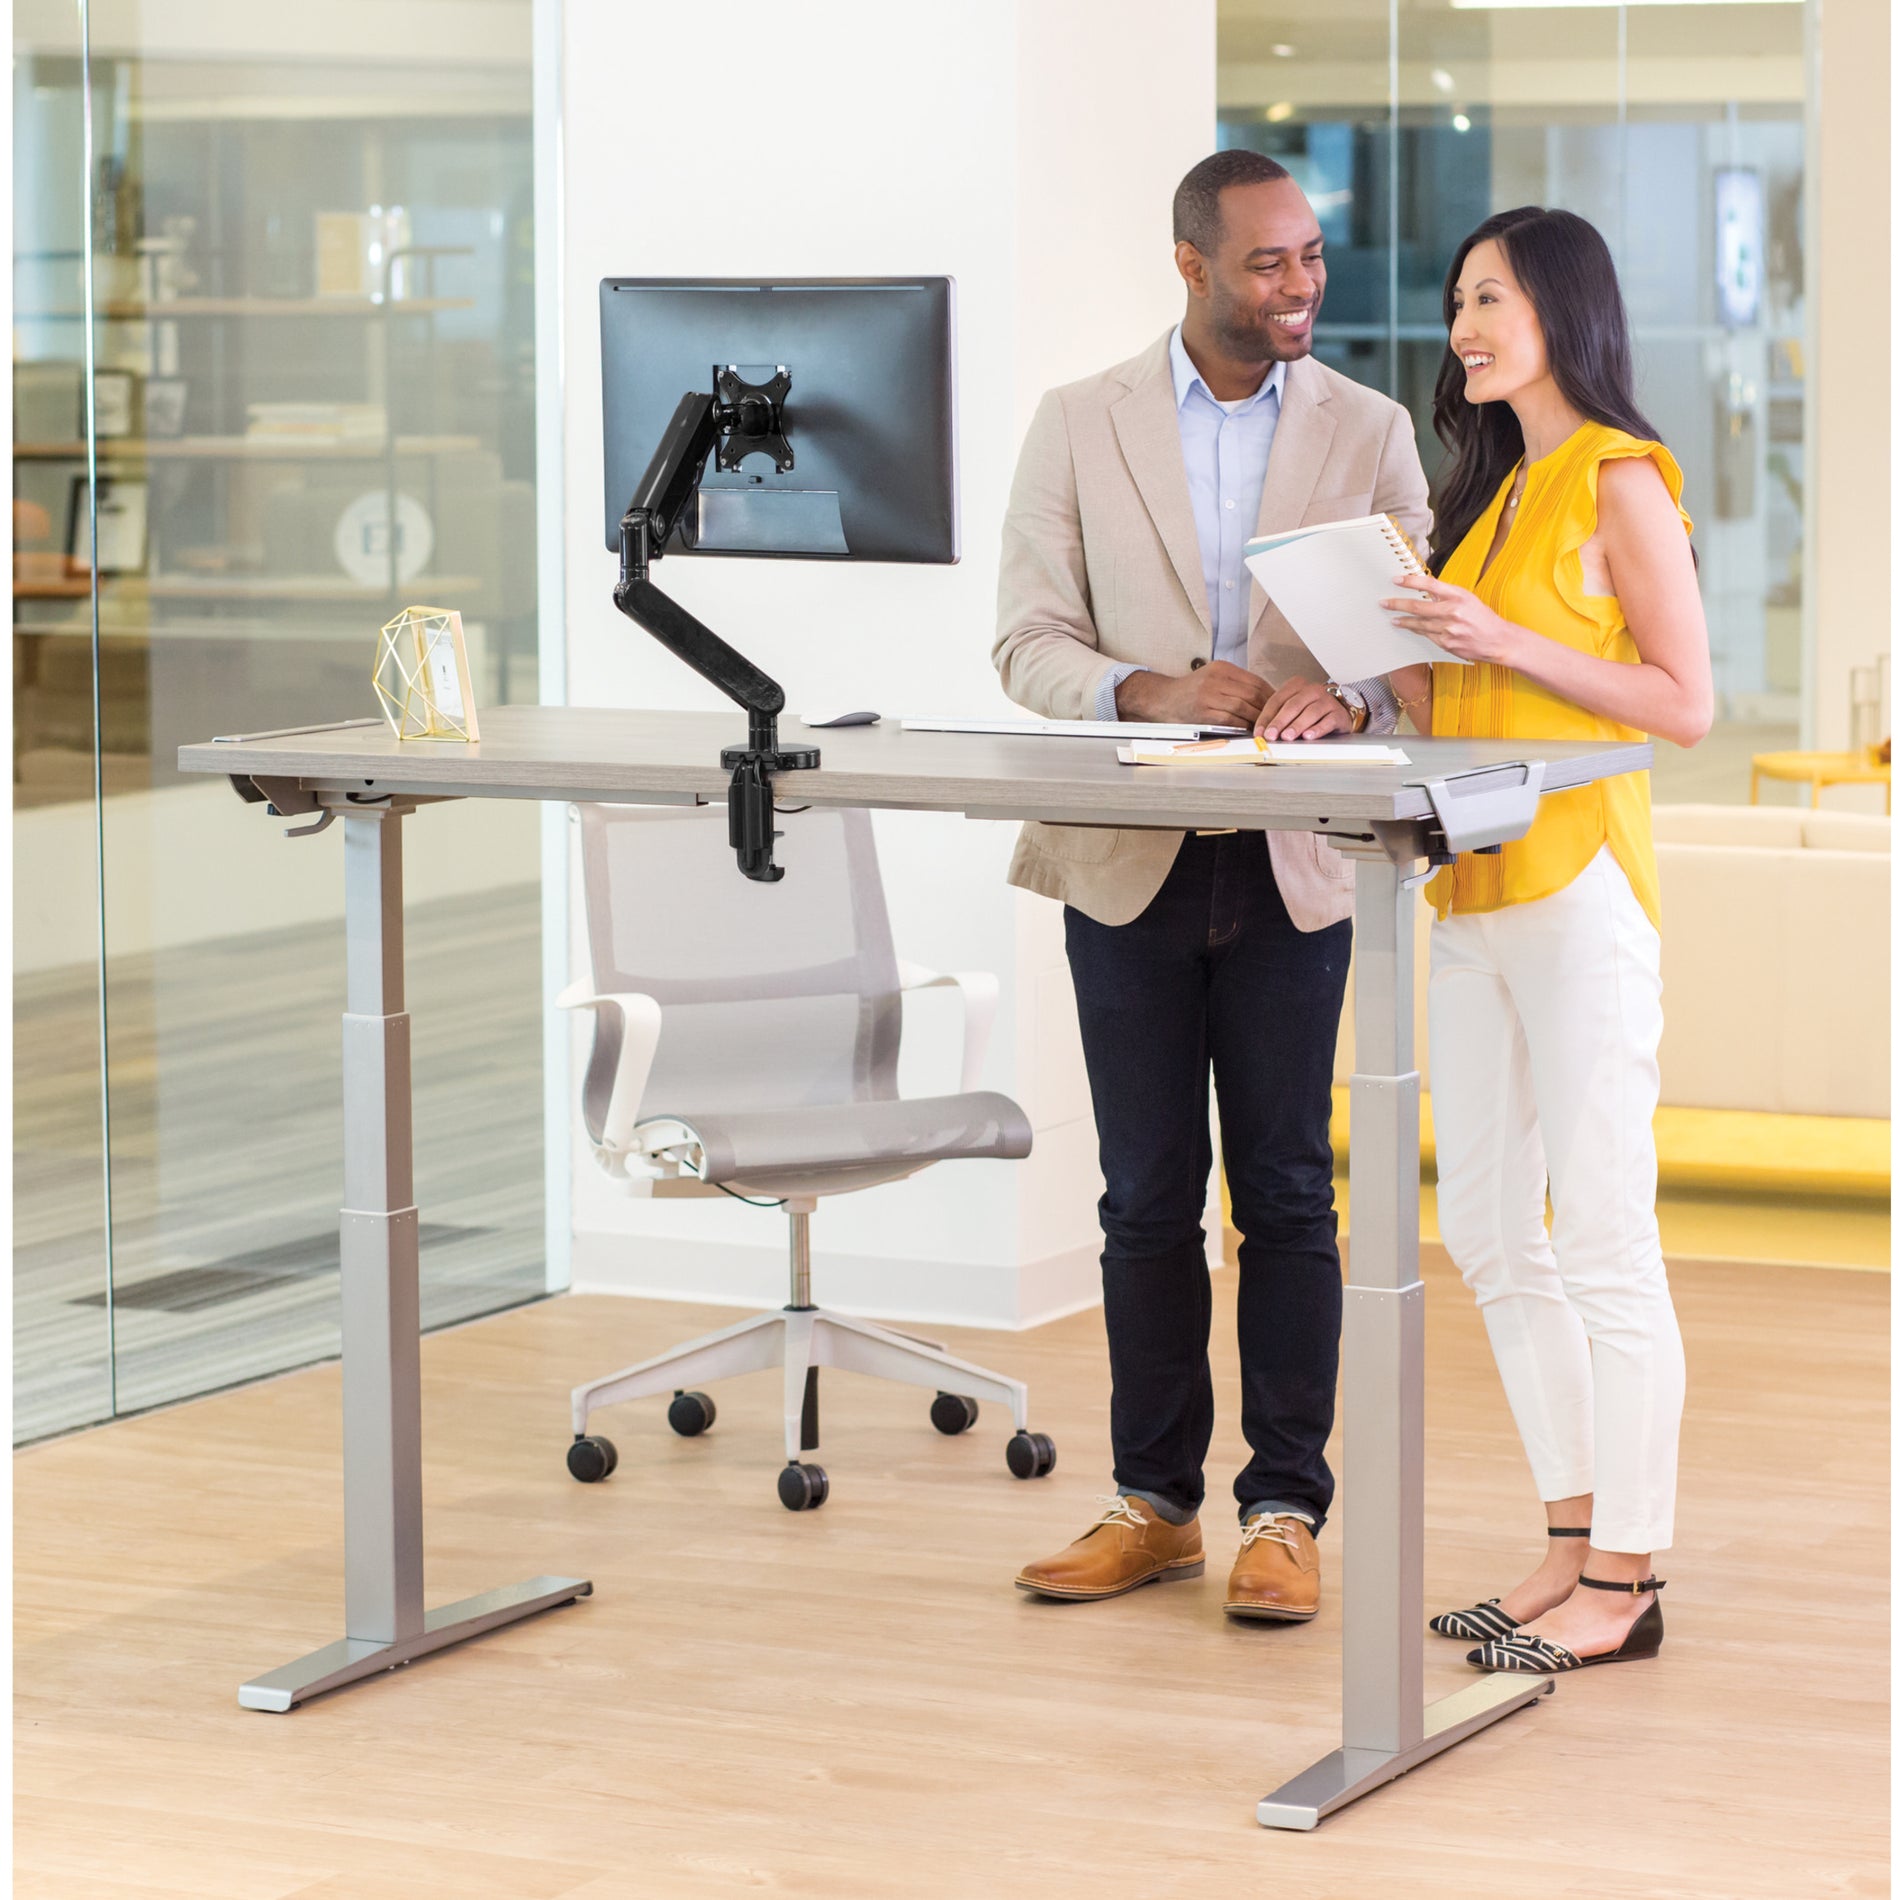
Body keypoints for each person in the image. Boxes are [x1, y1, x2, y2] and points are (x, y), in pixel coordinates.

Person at [993, 149, 1431, 1620]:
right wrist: (1146, 684)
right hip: (1127, 866)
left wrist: (1352, 705)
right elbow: (1026, 639)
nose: (1300, 284)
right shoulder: (1076, 424)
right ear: (1191, 265)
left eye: (1310, 257)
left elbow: (1415, 650)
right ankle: (1152, 1501)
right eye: (1269, 263)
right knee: (1143, 1198)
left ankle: (1283, 1510)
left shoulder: (1369, 431)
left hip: (1300, 869)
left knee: (1290, 1192)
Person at [1378, 206, 1711, 1673]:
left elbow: (1678, 702)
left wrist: (1497, 639)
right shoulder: (1489, 490)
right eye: (1458, 298)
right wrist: (1377, 665)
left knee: (1605, 1237)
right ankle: (1571, 1542)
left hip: (1577, 890)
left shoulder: (1616, 477)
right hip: (1471, 893)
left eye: (1493, 294)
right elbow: (1465, 708)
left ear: (1564, 307)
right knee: (1490, 1233)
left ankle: (1627, 1583)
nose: (1466, 322)